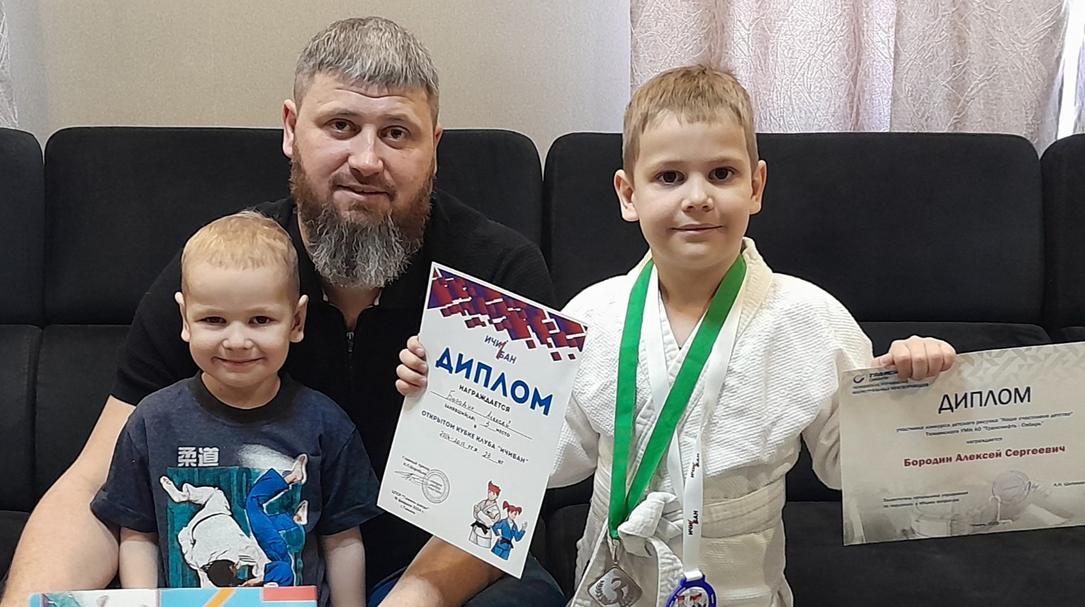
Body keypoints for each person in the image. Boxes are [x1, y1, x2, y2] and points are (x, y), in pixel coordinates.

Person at [0, 16, 561, 607]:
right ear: (292, 129)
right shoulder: (223, 274)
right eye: (341, 126)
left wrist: (408, 600)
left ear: (434, 149)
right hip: (251, 580)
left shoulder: (497, 276)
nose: (367, 160)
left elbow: (500, 502)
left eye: (397, 133)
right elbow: (95, 482)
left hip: (428, 568)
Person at [395, 65, 958, 606]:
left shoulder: (811, 319)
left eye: (722, 174)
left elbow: (848, 466)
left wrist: (909, 390)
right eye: (669, 177)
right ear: (628, 194)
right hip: (612, 578)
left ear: (756, 186)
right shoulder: (592, 316)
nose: (697, 197)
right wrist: (452, 391)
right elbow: (550, 458)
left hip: (740, 587)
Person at [89, 212, 379, 607]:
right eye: (214, 320)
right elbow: (138, 533)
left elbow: (342, 539)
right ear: (185, 320)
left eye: (260, 320)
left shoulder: (326, 424)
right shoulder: (152, 421)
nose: (237, 341)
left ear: (296, 321)